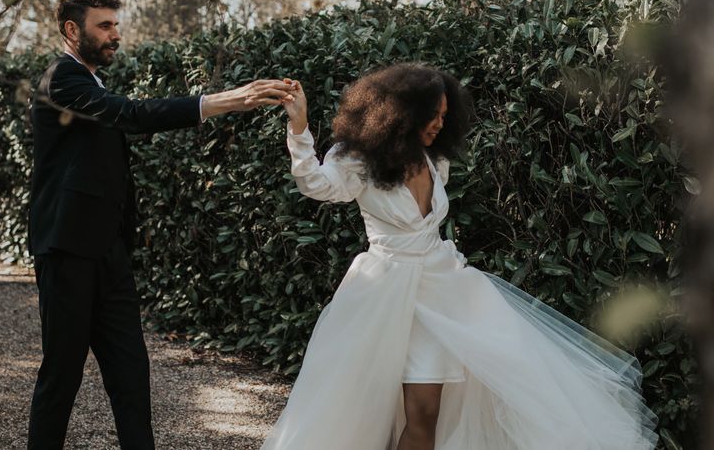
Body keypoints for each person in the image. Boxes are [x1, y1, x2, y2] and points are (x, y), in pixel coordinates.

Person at [263, 63, 658, 450]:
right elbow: (316, 184)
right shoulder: (359, 159)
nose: (438, 124)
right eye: (431, 115)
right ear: (402, 114)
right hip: (384, 296)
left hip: (444, 293)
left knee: (429, 412)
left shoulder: (436, 160)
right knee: (360, 414)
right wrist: (299, 126)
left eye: (443, 116)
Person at [27, 0, 293, 449]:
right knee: (61, 376)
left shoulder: (90, 83)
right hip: (67, 248)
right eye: (104, 25)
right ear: (72, 30)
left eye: (115, 24)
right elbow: (132, 114)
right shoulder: (62, 80)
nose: (115, 34)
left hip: (109, 251)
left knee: (131, 373)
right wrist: (227, 99)